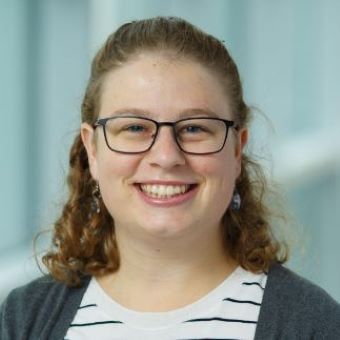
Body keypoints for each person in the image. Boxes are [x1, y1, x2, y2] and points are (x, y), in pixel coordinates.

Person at [1, 16, 339, 340]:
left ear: (236, 151)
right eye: (134, 127)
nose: (165, 157)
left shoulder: (314, 326)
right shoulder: (23, 319)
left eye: (194, 129)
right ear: (92, 149)